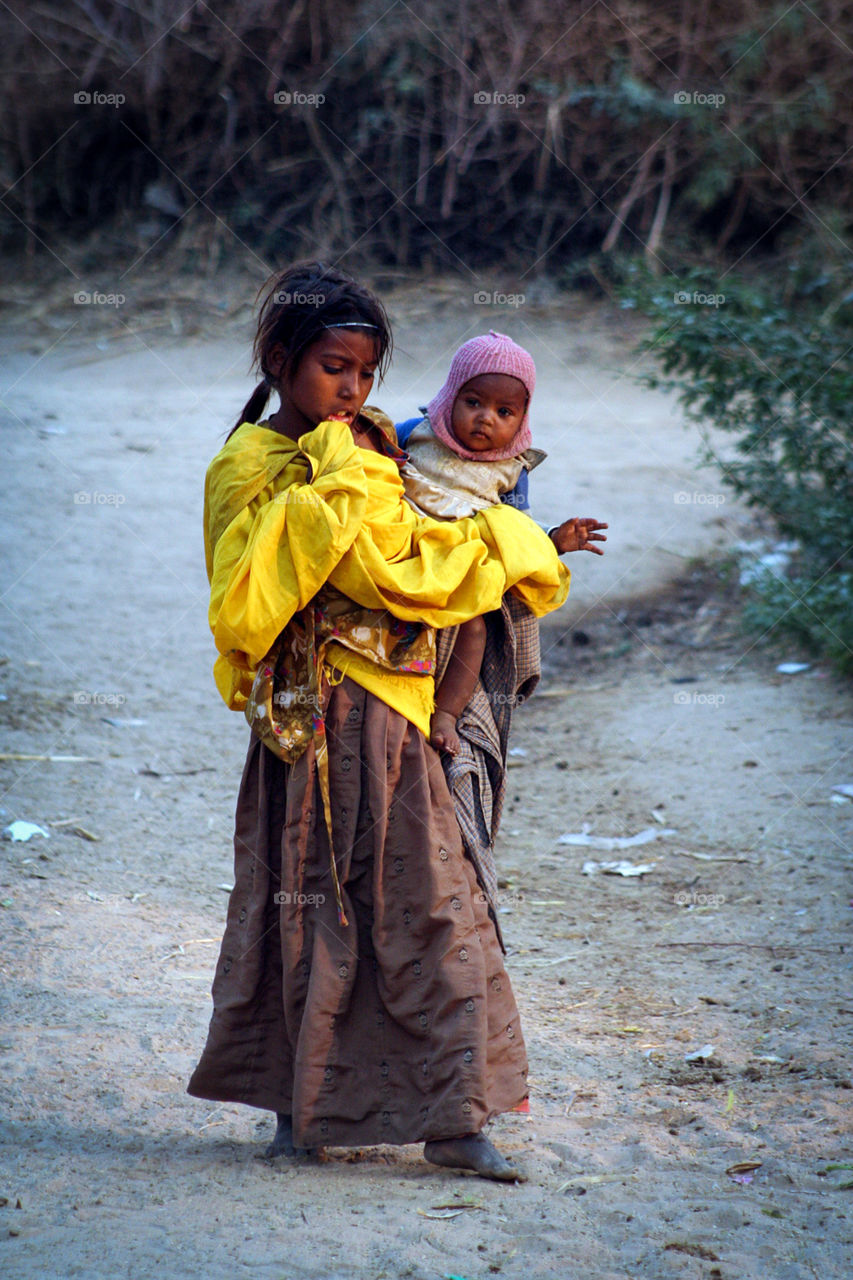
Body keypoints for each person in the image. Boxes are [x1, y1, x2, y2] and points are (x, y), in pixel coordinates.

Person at [187, 262, 575, 1183]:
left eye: (365, 373)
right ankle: (300, 1112)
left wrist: (514, 541)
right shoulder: (249, 466)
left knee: (433, 905)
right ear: (280, 361)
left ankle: (454, 1119)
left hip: (396, 713)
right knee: (304, 905)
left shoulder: (372, 448)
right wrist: (337, 488)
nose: (352, 390)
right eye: (334, 369)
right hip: (305, 725)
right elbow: (278, 586)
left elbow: (418, 551)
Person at [394, 331, 606, 939]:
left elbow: (516, 537)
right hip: (404, 564)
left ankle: (446, 712)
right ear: (448, 397)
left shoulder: (513, 471)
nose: (487, 420)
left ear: (522, 419)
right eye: (474, 402)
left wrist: (554, 540)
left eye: (505, 411)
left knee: (477, 631)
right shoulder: (411, 436)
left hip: (464, 577)